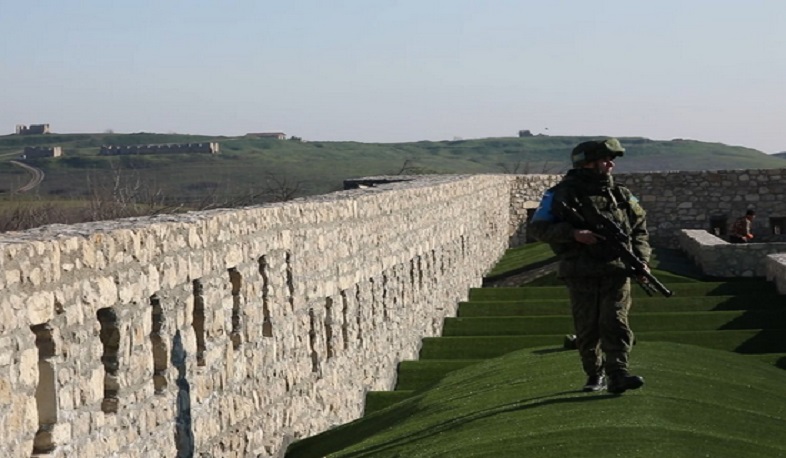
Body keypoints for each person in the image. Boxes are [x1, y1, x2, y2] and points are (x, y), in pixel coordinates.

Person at [529, 138, 651, 394]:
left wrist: (641, 260)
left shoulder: (621, 195)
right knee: (587, 327)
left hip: (616, 269)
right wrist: (573, 234)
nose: (610, 166)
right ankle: (594, 374)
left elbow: (639, 229)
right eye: (605, 161)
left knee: (615, 321)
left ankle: (618, 373)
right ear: (588, 163)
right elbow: (539, 228)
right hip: (580, 270)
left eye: (611, 161)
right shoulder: (561, 194)